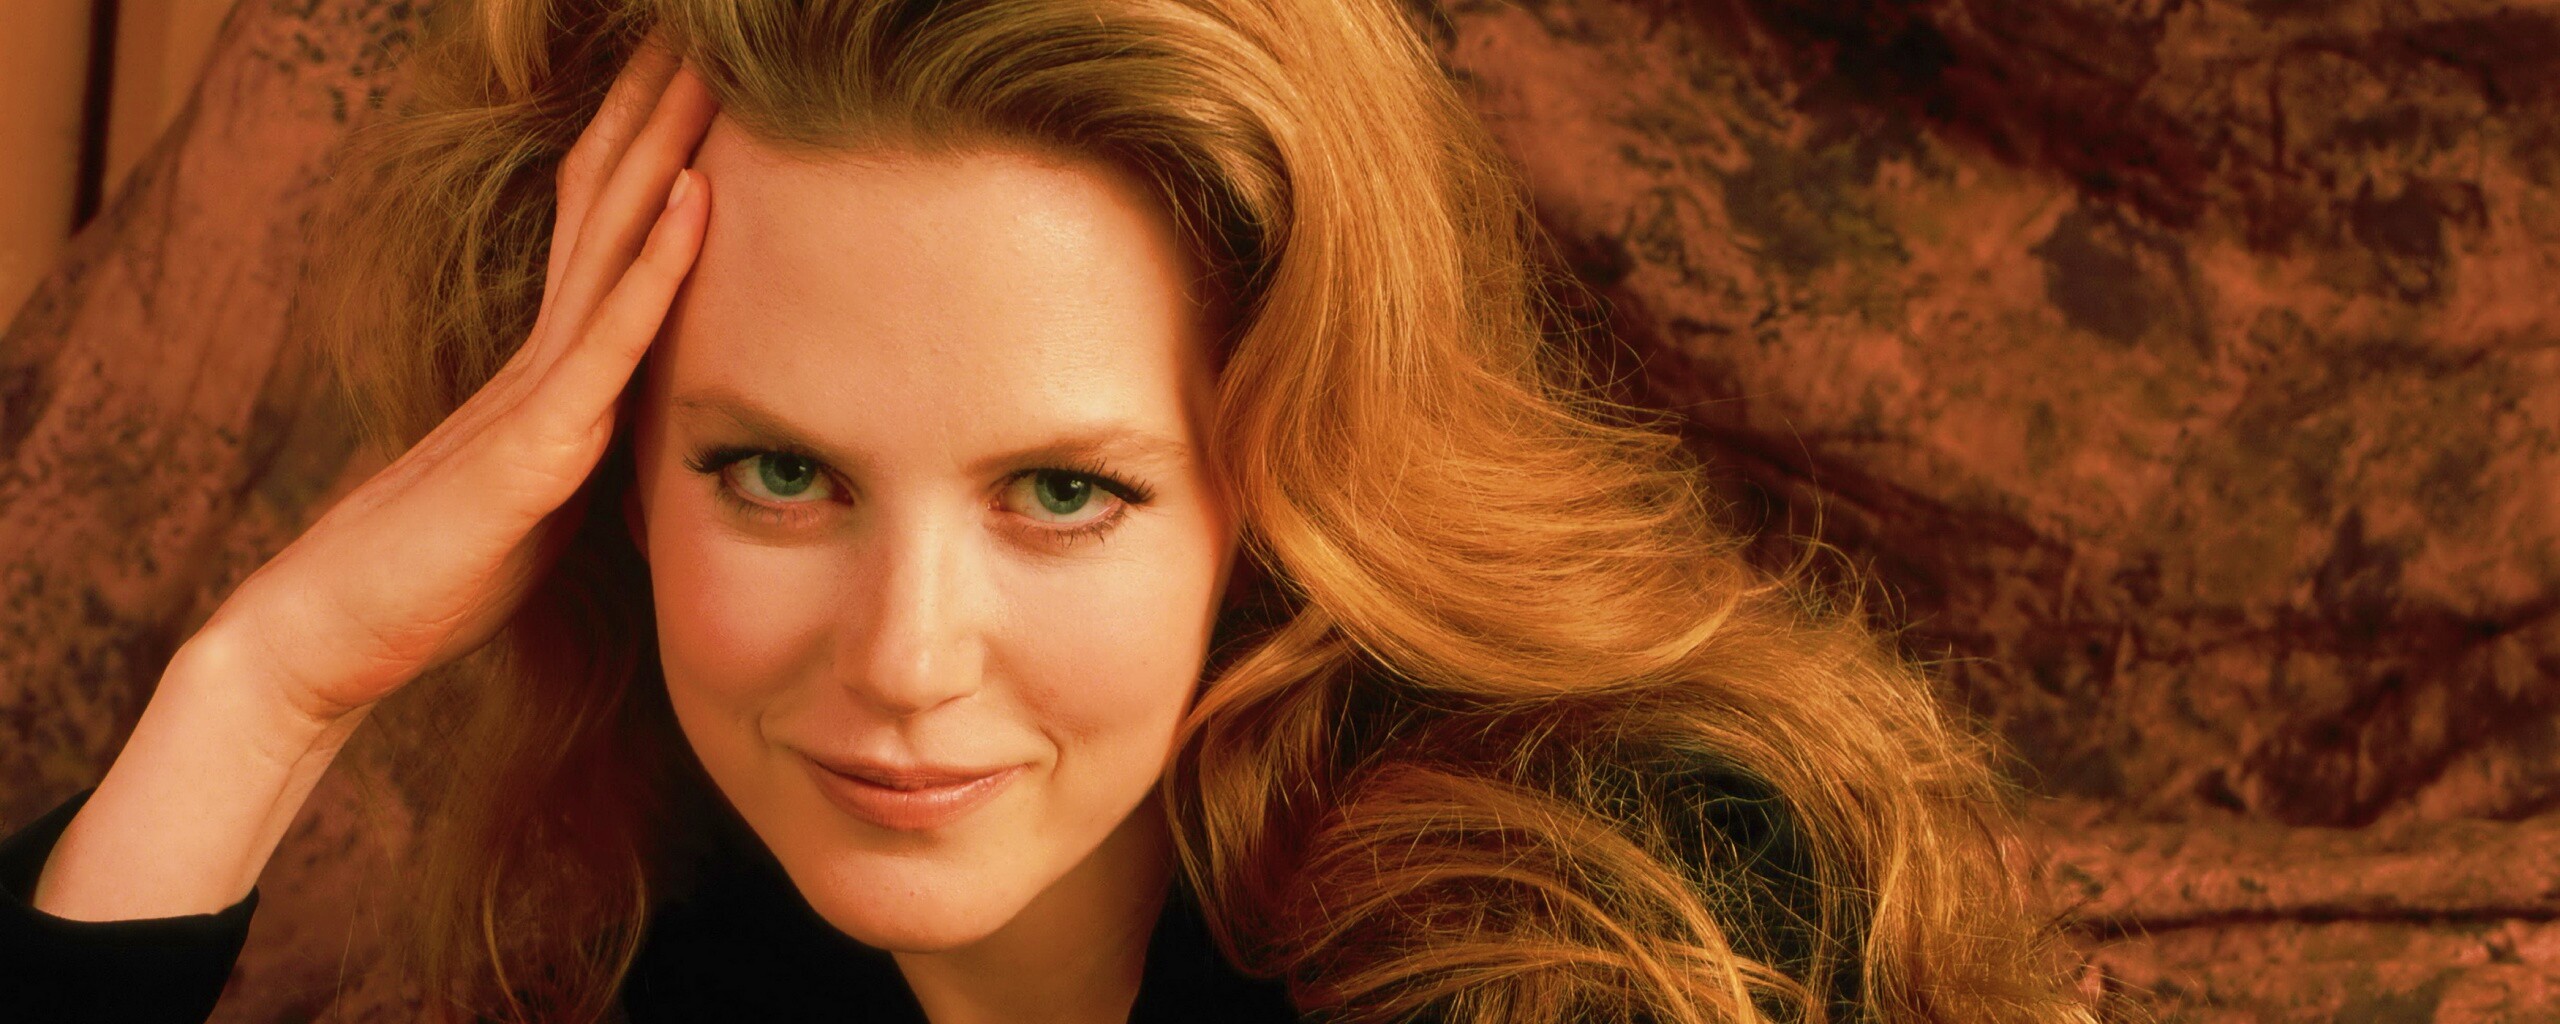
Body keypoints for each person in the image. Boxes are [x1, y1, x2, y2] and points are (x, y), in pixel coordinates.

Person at [0, 0, 2099, 1021]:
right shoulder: (704, 943)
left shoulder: (1603, 927)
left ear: (1281, 484)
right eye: (779, 473)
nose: (905, 659)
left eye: (1066, 490)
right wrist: (267, 686)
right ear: (609, 477)